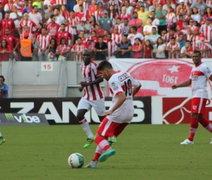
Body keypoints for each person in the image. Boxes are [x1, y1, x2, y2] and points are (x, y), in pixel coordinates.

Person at [85, 60, 141, 168]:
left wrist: (111, 110)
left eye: (101, 73)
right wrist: (131, 97)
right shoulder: (125, 74)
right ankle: (94, 162)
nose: (102, 76)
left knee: (98, 136)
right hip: (129, 114)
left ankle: (109, 149)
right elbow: (138, 85)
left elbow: (122, 96)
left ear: (106, 70)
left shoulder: (113, 79)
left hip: (117, 113)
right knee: (103, 138)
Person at [172, 51, 212, 145]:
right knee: (200, 117)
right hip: (195, 94)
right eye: (193, 56)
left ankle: (190, 139)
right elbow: (189, 82)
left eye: (196, 56)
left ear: (200, 57)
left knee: (194, 115)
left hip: (200, 94)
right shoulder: (194, 68)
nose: (194, 58)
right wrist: (177, 86)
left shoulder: (204, 67)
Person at [77, 49, 105, 148]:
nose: (85, 57)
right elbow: (86, 80)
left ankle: (110, 137)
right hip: (86, 96)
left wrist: (87, 84)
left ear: (91, 56)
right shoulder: (81, 67)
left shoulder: (94, 66)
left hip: (97, 96)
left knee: (102, 119)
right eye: (84, 55)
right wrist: (82, 86)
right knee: (79, 115)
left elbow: (101, 78)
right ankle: (90, 136)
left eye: (87, 55)